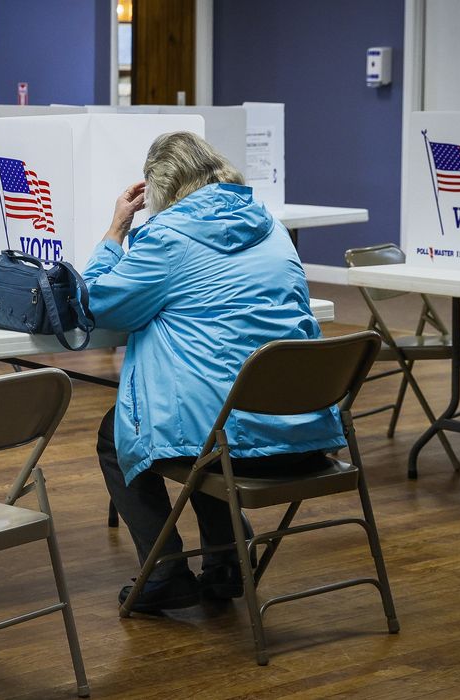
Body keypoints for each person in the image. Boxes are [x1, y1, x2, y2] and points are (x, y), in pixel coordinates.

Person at [83, 131, 346, 613]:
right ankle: (225, 562)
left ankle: (164, 570)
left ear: (161, 190)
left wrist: (115, 232)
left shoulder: (166, 238)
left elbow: (96, 304)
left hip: (236, 448)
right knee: (207, 408)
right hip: (307, 434)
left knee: (129, 429)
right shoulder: (273, 228)